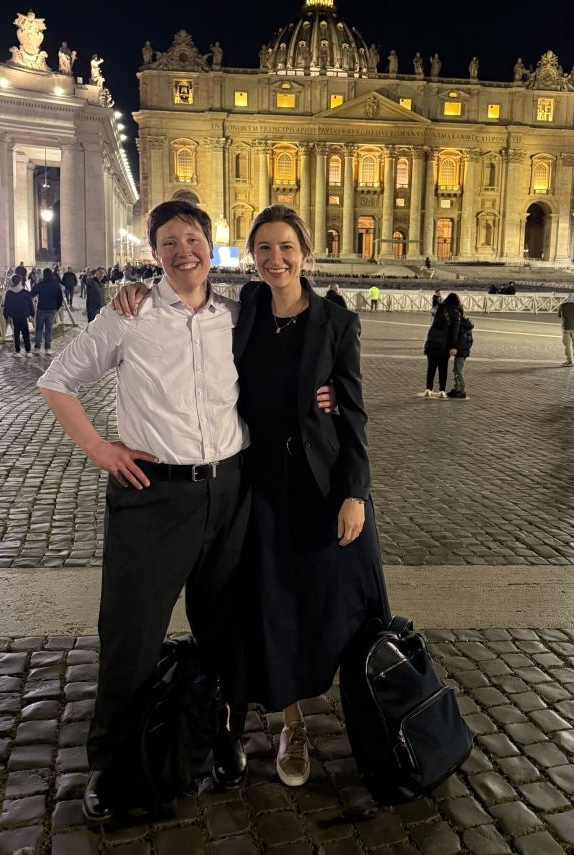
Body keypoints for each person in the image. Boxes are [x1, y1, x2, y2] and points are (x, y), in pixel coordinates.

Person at [111, 204, 382, 792]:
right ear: (251, 256)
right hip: (254, 485)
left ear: (306, 254)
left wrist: (354, 492)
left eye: (285, 248)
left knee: (336, 606)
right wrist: (136, 288)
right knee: (268, 605)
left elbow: (354, 415)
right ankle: (285, 722)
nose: (274, 259)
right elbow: (187, 302)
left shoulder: (337, 322)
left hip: (318, 487)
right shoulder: (247, 308)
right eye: (263, 249)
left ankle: (379, 715)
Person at [36, 201, 254, 825]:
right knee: (131, 634)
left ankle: (224, 739)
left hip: (231, 489)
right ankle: (115, 765)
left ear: (211, 247)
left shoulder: (235, 317)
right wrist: (100, 448)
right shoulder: (127, 314)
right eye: (169, 242)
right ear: (154, 253)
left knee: (224, 628)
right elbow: (57, 380)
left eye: (193, 238)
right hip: (154, 495)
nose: (183, 250)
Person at [422, 293, 459, 398]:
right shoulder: (455, 313)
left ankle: (428, 389)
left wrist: (435, 297)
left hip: (432, 342)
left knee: (431, 368)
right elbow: (454, 332)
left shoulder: (438, 308)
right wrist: (453, 346)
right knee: (443, 369)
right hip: (444, 345)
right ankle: (442, 390)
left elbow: (434, 305)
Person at [446, 294, 473, 399]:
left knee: (458, 370)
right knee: (456, 370)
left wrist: (456, 348)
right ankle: (457, 388)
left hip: (462, 350)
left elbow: (462, 339)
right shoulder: (464, 324)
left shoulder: (462, 325)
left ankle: (461, 390)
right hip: (463, 349)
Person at [31, 267, 64, 352]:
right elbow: (60, 298)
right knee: (49, 329)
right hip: (52, 309)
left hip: (41, 309)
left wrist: (35, 284)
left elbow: (32, 293)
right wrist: (56, 308)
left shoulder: (41, 284)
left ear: (44, 274)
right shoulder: (56, 284)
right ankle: (47, 348)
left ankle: (37, 347)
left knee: (39, 329)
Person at [2, 274, 35, 354]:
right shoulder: (26, 292)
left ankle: (17, 352)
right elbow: (30, 305)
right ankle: (28, 351)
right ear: (20, 282)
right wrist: (32, 315)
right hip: (24, 316)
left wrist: (5, 315)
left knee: (16, 334)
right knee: (26, 333)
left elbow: (6, 305)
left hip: (14, 316)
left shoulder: (9, 293)